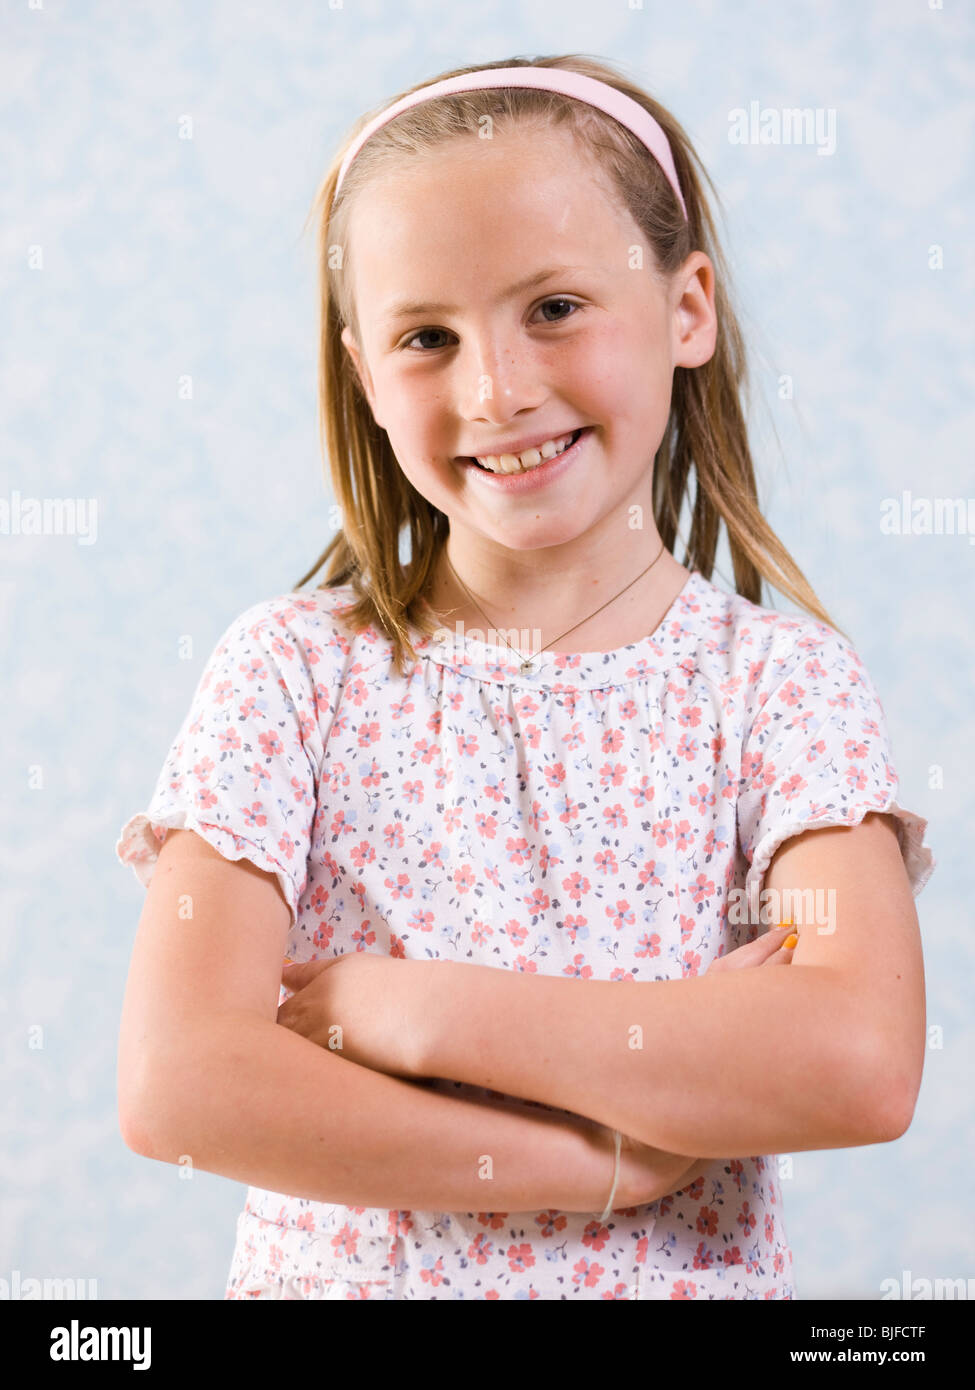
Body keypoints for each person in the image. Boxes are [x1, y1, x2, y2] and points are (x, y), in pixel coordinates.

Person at [116, 54, 936, 1300]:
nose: (496, 391)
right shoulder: (291, 676)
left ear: (688, 309)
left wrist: (416, 1011)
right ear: (364, 374)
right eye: (427, 337)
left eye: (554, 308)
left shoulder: (781, 688)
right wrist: (598, 1162)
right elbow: (183, 1084)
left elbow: (860, 1059)